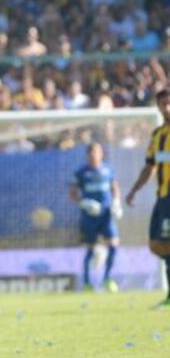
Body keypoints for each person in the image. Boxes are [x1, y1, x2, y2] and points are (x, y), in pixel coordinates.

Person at [126, 88, 170, 306]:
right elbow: (150, 167)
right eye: (163, 104)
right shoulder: (157, 135)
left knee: (167, 242)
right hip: (162, 197)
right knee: (156, 244)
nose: (167, 108)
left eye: (169, 103)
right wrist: (134, 190)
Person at [69, 142, 122, 292]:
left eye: (97, 153)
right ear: (87, 155)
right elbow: (72, 194)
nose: (94, 156)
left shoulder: (108, 170)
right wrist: (84, 203)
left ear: (101, 154)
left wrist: (116, 202)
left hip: (106, 215)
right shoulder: (81, 172)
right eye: (91, 153)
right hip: (89, 216)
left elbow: (115, 188)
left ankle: (107, 279)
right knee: (90, 249)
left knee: (113, 245)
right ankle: (87, 283)